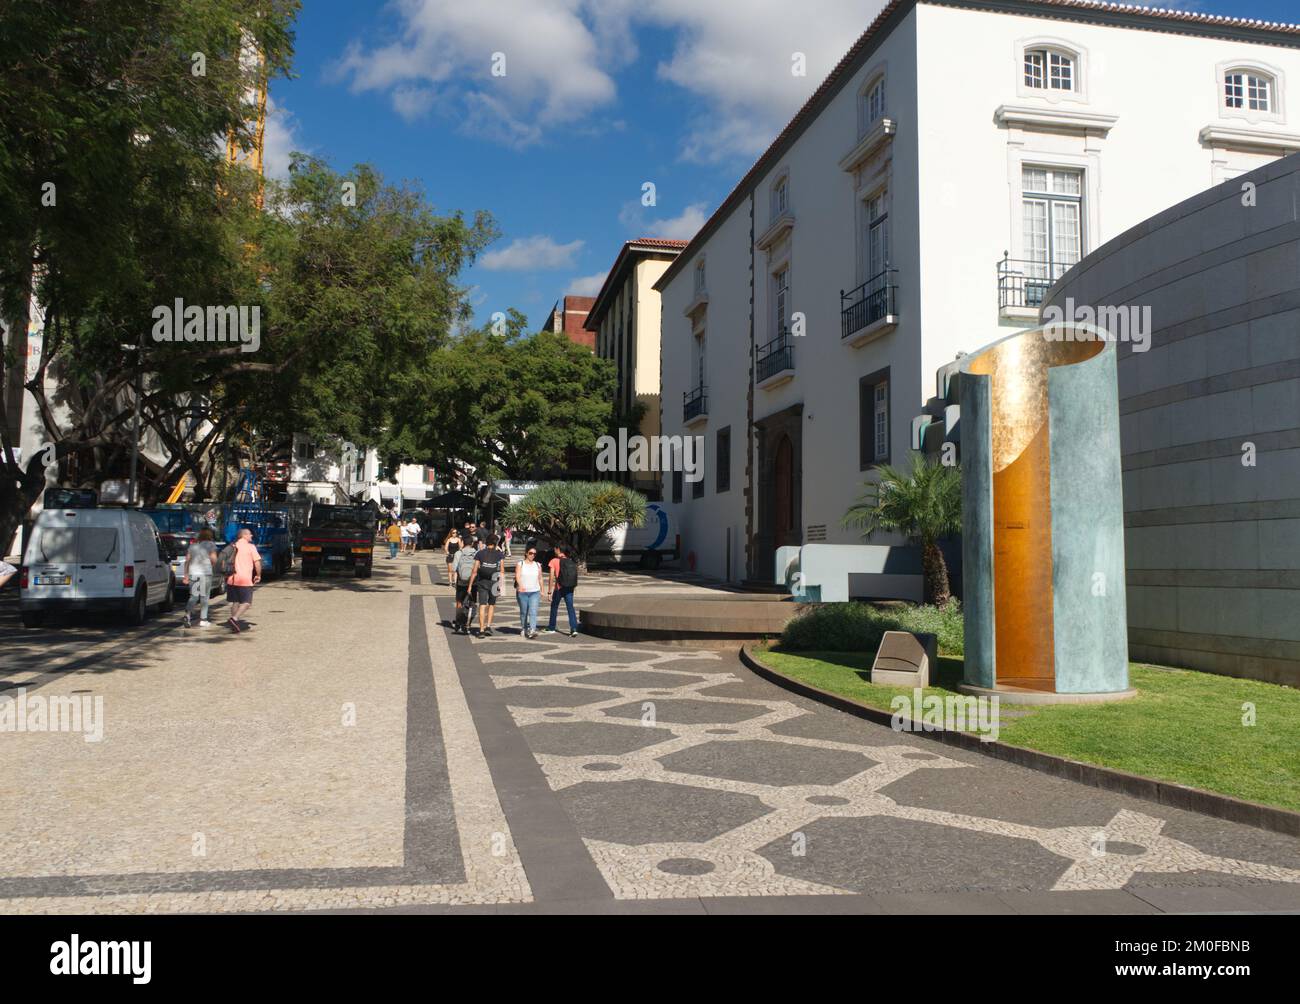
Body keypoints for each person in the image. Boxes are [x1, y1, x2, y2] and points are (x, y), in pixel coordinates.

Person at [465, 534, 504, 637]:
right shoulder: (499, 554)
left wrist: (470, 586)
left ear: (487, 542)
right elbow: (502, 571)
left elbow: (474, 571)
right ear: (496, 543)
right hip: (495, 582)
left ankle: (481, 630)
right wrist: (501, 586)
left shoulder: (480, 553)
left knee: (482, 605)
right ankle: (488, 626)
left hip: (482, 582)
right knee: (492, 605)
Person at [224, 527, 262, 633]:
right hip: (244, 579)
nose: (251, 536)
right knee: (246, 603)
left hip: (232, 579)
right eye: (250, 534)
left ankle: (234, 624)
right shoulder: (250, 547)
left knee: (235, 602)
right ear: (244, 535)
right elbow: (257, 562)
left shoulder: (232, 545)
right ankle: (234, 619)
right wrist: (258, 574)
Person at [182, 528, 219, 628]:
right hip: (205, 574)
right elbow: (214, 559)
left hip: (193, 574)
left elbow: (187, 561)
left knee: (194, 596)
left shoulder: (193, 546)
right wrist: (212, 564)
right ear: (210, 535)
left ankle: (187, 615)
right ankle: (203, 620)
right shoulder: (211, 545)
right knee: (204, 597)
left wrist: (186, 575)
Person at [545, 542, 580, 637]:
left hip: (559, 588)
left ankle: (551, 627)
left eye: (555, 548)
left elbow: (551, 577)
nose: (554, 550)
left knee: (554, 606)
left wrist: (549, 591)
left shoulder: (554, 561)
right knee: (570, 607)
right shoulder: (570, 560)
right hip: (569, 587)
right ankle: (573, 629)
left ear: (558, 549)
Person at [451, 538, 479, 635]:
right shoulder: (477, 553)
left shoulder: (458, 553)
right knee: (472, 603)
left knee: (459, 602)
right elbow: (478, 567)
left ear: (463, 543)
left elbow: (454, 568)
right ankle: (468, 624)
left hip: (461, 582)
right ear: (472, 543)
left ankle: (458, 622)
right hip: (473, 582)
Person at [514, 545, 542, 639]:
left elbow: (540, 578)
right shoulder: (520, 564)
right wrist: (521, 586)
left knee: (533, 611)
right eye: (530, 553)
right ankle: (524, 628)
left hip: (535, 591)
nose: (532, 555)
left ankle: (532, 629)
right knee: (524, 612)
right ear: (526, 553)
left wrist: (542, 590)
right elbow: (517, 576)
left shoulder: (538, 565)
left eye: (534, 554)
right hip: (523, 592)